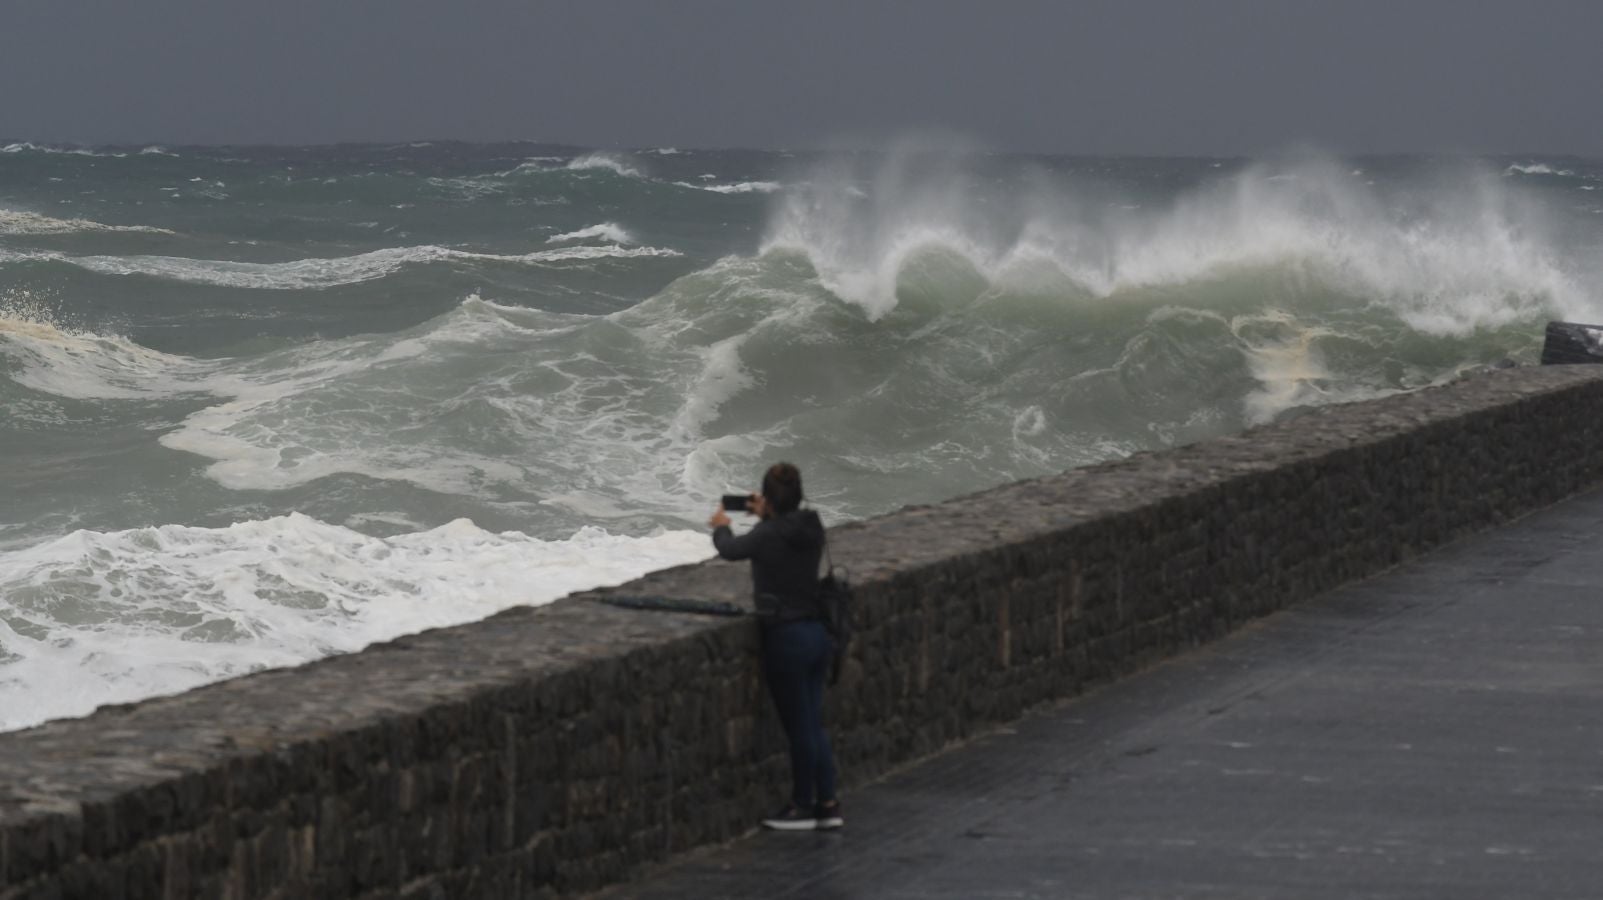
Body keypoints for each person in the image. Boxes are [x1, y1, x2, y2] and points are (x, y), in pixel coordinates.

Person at [709, 462, 843, 832]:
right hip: (818, 633)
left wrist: (721, 526)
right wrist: (767, 512)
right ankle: (828, 803)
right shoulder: (810, 527)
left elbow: (732, 549)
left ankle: (802, 806)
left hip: (787, 637)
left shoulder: (769, 534)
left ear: (768, 498)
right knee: (813, 723)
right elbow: (782, 529)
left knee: (800, 727)